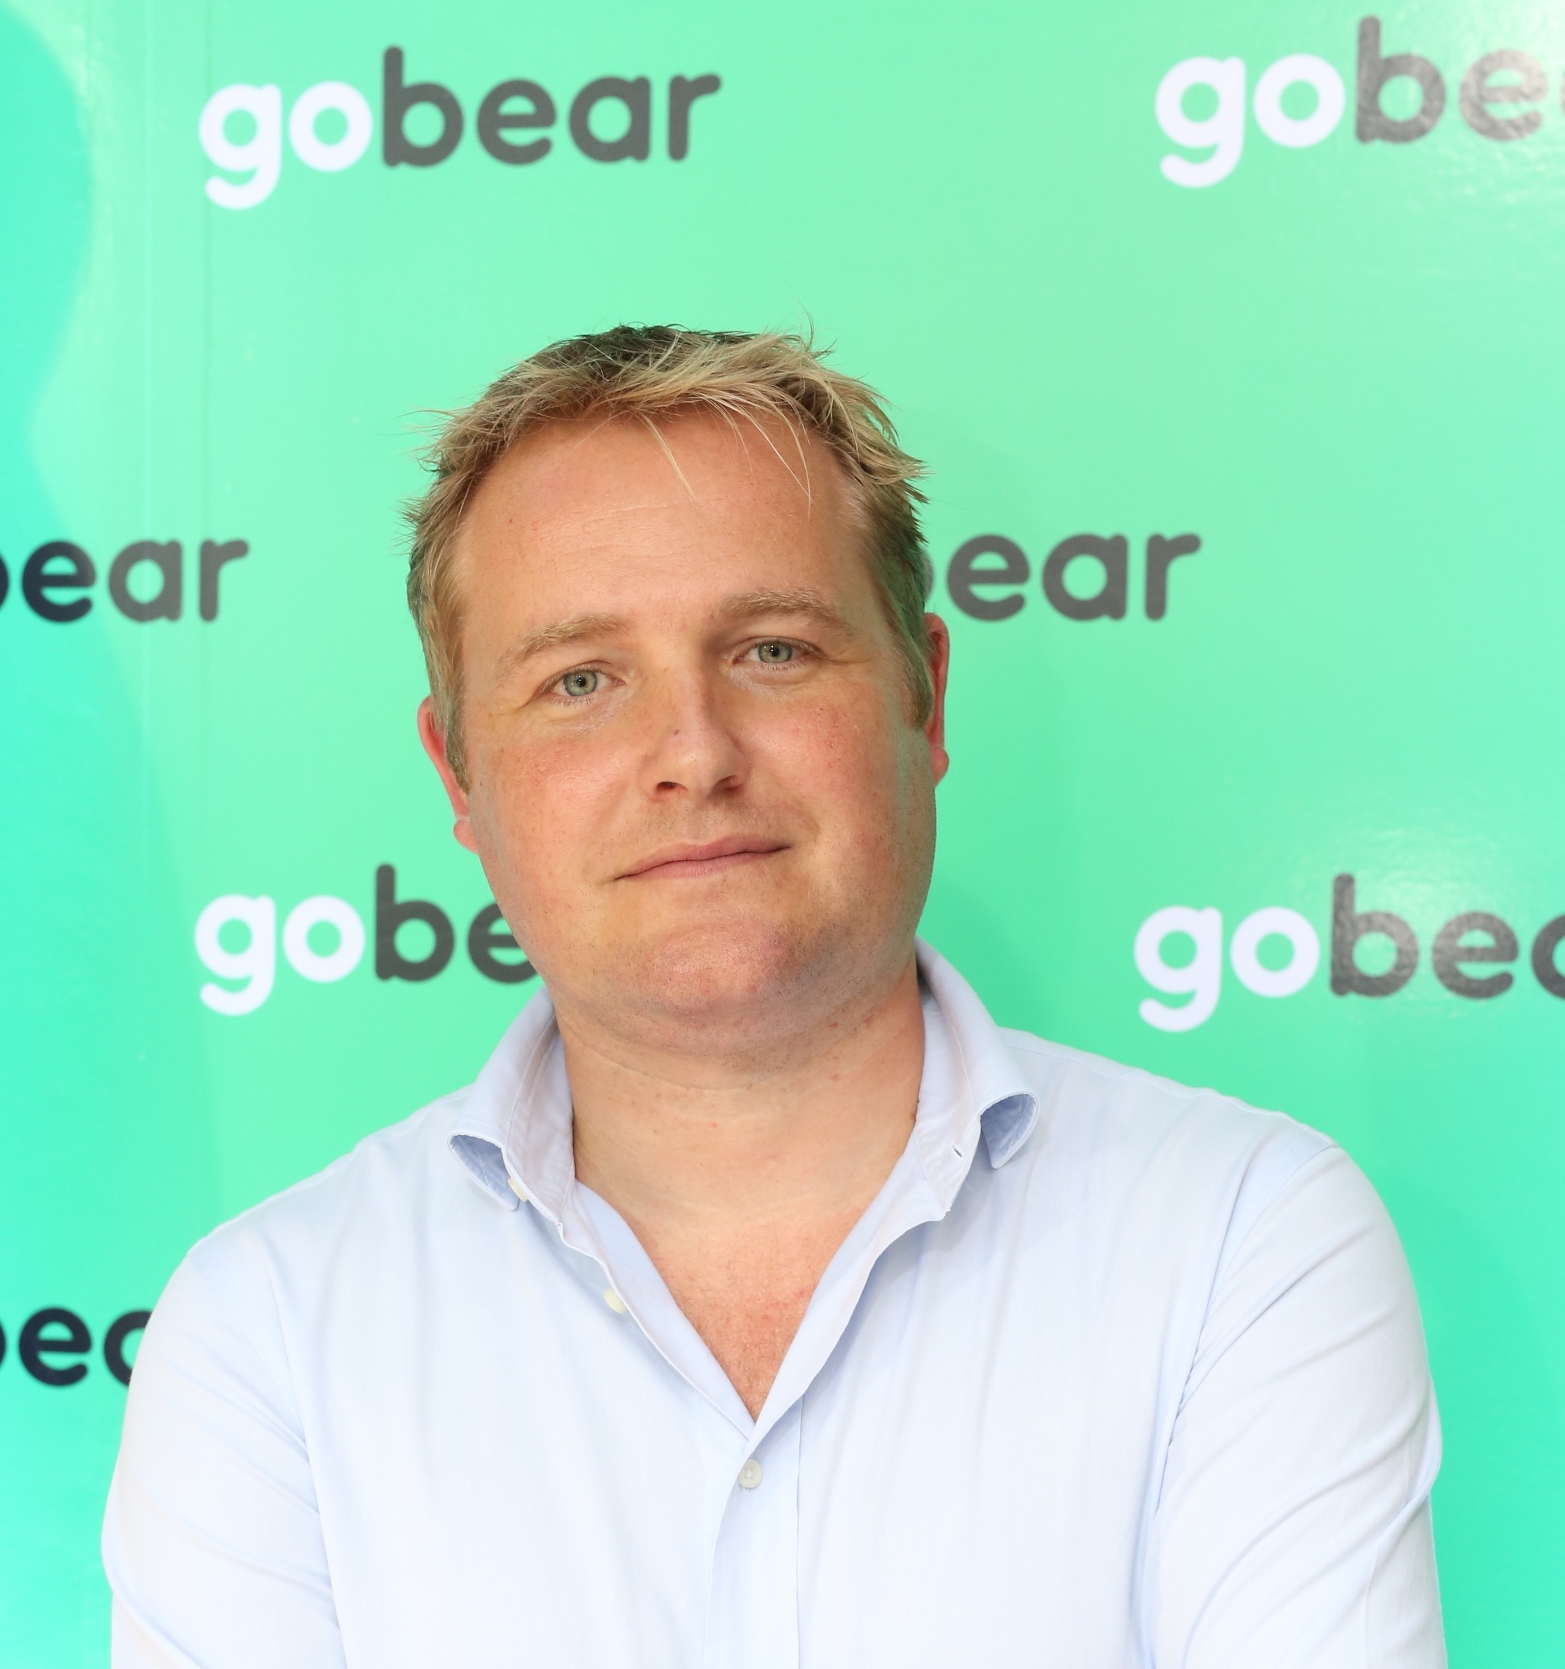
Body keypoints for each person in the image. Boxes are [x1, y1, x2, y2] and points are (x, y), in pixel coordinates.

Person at [103, 326, 1445, 1667]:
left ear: (926, 700)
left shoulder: (1240, 1239)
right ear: (457, 775)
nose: (693, 753)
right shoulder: (266, 1334)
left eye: (773, 651)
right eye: (580, 680)